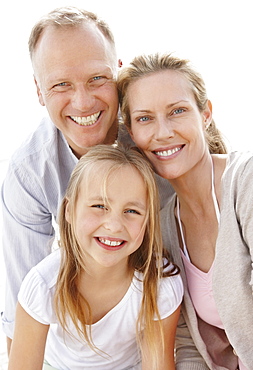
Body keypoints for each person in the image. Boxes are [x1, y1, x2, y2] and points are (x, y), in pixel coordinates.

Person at [1, 7, 173, 351]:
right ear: (38, 91)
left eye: (97, 79)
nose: (82, 102)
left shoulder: (158, 135)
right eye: (61, 84)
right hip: (82, 342)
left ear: (118, 73)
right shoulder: (30, 173)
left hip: (168, 317)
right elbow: (22, 308)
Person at [117, 53, 253, 369]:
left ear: (205, 113)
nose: (162, 132)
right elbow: (191, 347)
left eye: (177, 111)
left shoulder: (245, 182)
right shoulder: (164, 229)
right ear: (132, 134)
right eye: (145, 118)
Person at [8, 145, 183, 370]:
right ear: (69, 211)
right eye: (99, 206)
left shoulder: (160, 285)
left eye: (132, 211)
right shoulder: (42, 286)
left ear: (148, 221)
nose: (113, 225)